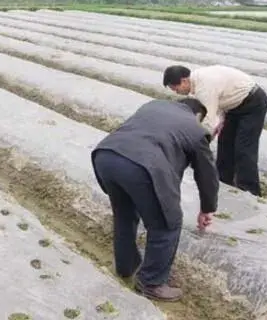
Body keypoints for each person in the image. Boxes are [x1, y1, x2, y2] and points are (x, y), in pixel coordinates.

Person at [91, 98, 219, 302]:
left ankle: (125, 267)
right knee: (167, 224)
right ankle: (151, 283)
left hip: (106, 156)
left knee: (124, 215)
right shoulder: (196, 129)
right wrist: (207, 208)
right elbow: (207, 174)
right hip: (142, 166)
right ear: (198, 116)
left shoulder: (153, 105)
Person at [162, 65, 267, 196]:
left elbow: (208, 121)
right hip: (232, 107)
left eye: (175, 88)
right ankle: (223, 181)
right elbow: (214, 107)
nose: (176, 92)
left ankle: (251, 191)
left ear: (184, 81)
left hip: (252, 103)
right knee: (224, 143)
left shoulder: (204, 87)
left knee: (244, 149)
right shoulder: (197, 82)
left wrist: (196, 146)